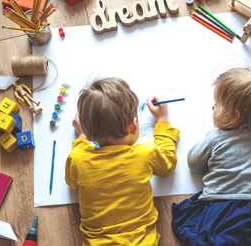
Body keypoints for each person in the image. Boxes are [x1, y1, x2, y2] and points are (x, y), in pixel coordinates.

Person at [171, 67, 251, 246]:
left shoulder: (216, 137)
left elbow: (194, 164)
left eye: (217, 103)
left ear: (235, 115)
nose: (212, 107)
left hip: (221, 209)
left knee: (203, 230)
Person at [65, 77, 180, 246]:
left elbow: (72, 183)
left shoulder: (78, 158)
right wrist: (162, 120)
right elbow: (168, 163)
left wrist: (81, 138)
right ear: (133, 125)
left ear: (87, 130)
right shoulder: (145, 154)